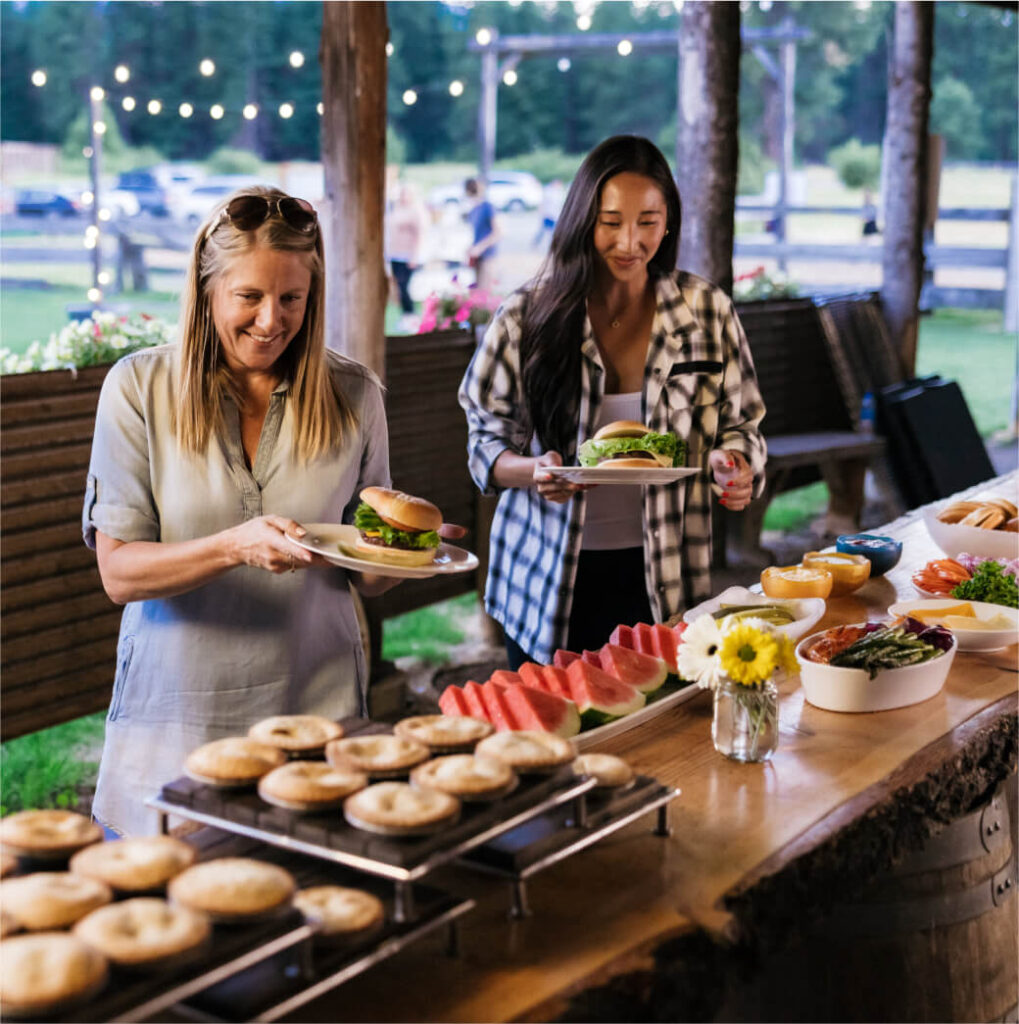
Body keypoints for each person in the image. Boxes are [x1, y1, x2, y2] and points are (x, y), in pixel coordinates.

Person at [83, 187, 404, 836]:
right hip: (173, 721)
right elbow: (119, 574)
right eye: (249, 297)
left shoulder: (355, 393)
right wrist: (234, 545)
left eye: (291, 298)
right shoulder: (138, 388)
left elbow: (369, 572)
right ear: (207, 292)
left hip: (315, 708)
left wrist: (404, 555)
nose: (270, 321)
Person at [459, 136, 767, 669]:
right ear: (582, 220)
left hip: (665, 577)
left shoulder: (707, 310)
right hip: (544, 582)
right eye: (611, 221)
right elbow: (484, 444)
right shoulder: (526, 316)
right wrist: (533, 470)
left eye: (648, 221)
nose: (630, 241)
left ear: (668, 221)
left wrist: (736, 466)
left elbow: (744, 428)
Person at [385, 182, 427, 325]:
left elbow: (420, 234)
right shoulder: (395, 209)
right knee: (398, 286)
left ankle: (411, 315)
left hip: (408, 255)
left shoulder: (415, 211)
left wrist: (415, 255)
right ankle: (405, 316)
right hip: (395, 254)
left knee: (405, 286)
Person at [464, 177, 501, 292]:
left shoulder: (488, 207)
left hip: (487, 255)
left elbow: (498, 232)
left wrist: (480, 247)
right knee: (476, 291)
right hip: (476, 256)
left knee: (484, 292)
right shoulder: (474, 210)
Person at [532, 178, 566, 249]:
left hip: (555, 216)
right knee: (543, 231)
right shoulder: (548, 191)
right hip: (547, 215)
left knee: (551, 232)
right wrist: (543, 213)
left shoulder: (559, 192)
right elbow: (543, 203)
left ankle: (552, 245)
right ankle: (536, 243)